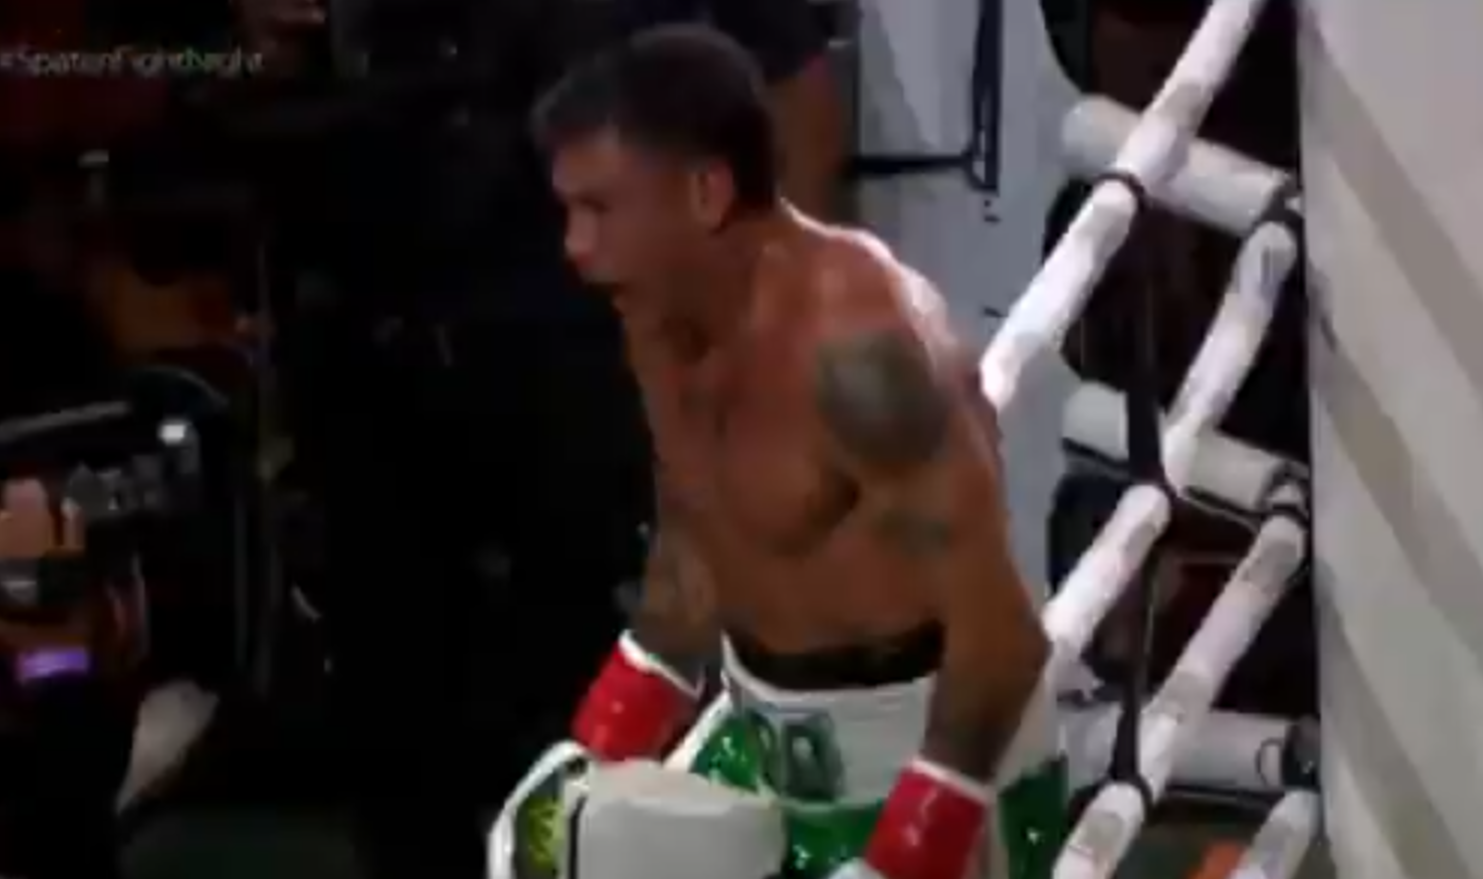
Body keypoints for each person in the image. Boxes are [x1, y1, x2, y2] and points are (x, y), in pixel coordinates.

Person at [231, 1, 844, 878]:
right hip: (370, 364)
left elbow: (793, 94)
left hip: (590, 377)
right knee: (398, 739)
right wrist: (245, 39)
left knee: (601, 730)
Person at [502, 25, 1066, 879]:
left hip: (941, 767)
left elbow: (1002, 641)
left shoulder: (860, 355)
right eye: (569, 211)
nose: (575, 245)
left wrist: (912, 846)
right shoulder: (660, 319)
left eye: (602, 209)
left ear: (705, 192)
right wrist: (600, 740)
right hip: (763, 751)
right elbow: (697, 547)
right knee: (558, 856)